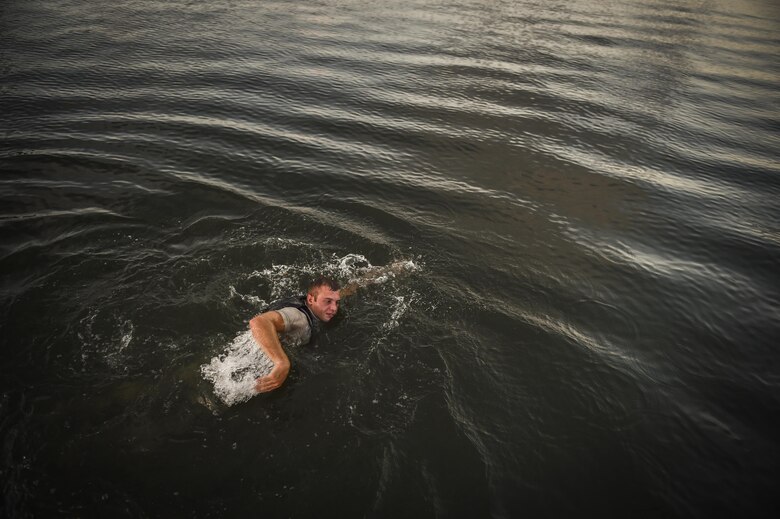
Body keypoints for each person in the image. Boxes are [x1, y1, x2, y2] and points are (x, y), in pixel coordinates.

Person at [250, 260, 413, 393]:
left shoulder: (312, 303)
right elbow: (259, 322)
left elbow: (353, 287)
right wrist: (282, 363)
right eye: (328, 301)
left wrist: (389, 270)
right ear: (311, 299)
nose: (334, 308)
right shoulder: (299, 317)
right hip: (255, 365)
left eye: (336, 302)